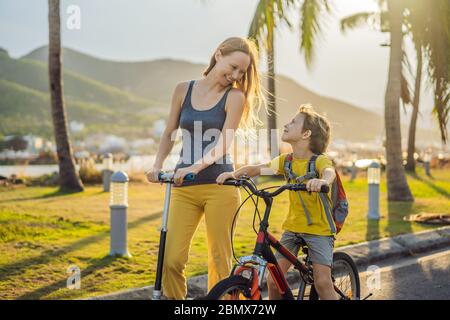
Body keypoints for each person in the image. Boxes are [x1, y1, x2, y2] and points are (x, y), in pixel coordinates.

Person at [146, 37, 263, 299]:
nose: (234, 76)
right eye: (232, 67)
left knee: (219, 262)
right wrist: (157, 165)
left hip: (220, 188)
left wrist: (195, 167)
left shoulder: (234, 97)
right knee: (171, 260)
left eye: (241, 72)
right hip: (183, 188)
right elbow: (168, 133)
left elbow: (223, 143)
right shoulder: (182, 89)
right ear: (218, 55)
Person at [217, 104, 338, 300]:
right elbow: (257, 169)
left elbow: (329, 172)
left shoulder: (318, 161)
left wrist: (322, 181)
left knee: (322, 282)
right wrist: (233, 174)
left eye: (293, 122)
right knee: (274, 281)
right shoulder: (286, 161)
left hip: (320, 230)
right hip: (292, 228)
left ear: (306, 134)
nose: (286, 124)